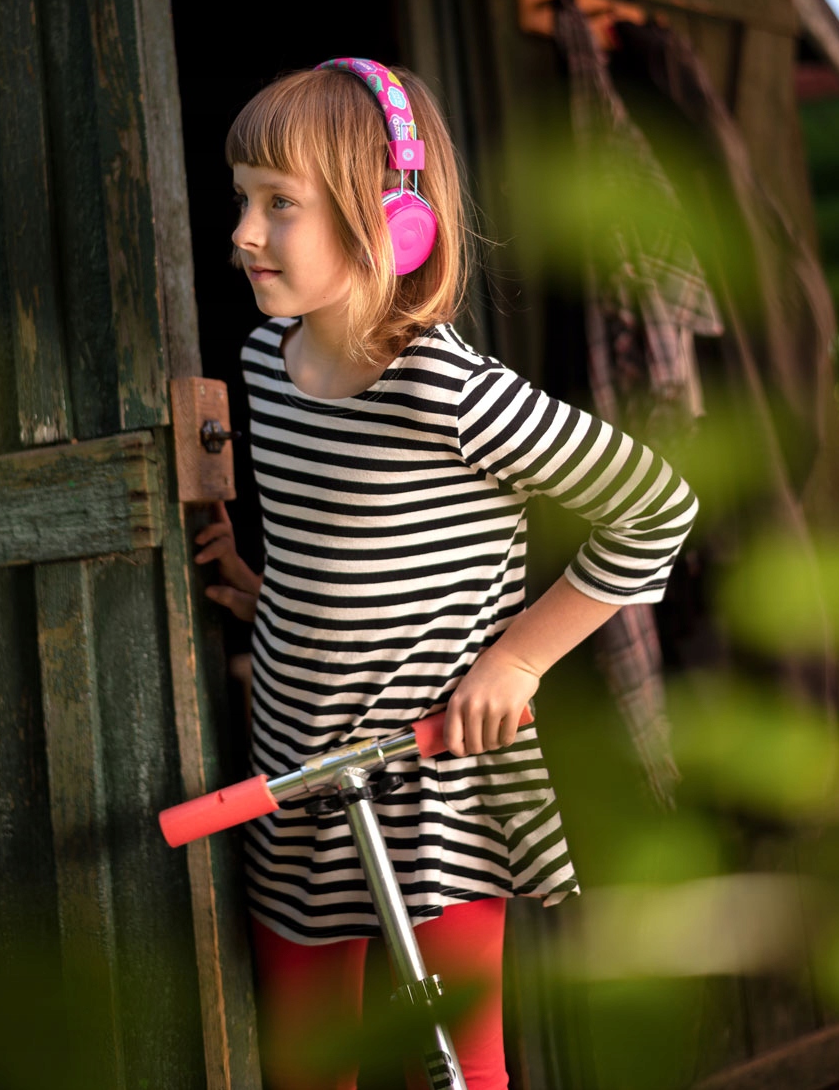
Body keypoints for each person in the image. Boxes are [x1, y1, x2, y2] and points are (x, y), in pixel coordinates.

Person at [194, 60, 698, 1090]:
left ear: (395, 223)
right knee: (304, 1061)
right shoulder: (262, 365)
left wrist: (515, 662)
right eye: (241, 200)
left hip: (432, 782)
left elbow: (655, 504)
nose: (243, 233)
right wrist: (271, 594)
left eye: (277, 204)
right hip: (294, 764)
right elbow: (347, 544)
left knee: (451, 1065)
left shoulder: (442, 386)